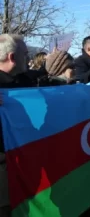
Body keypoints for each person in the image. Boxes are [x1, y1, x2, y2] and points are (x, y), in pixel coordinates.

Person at [0, 34, 32, 217]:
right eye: (26, 54)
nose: (28, 58)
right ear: (12, 57)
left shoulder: (24, 81)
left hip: (25, 163)